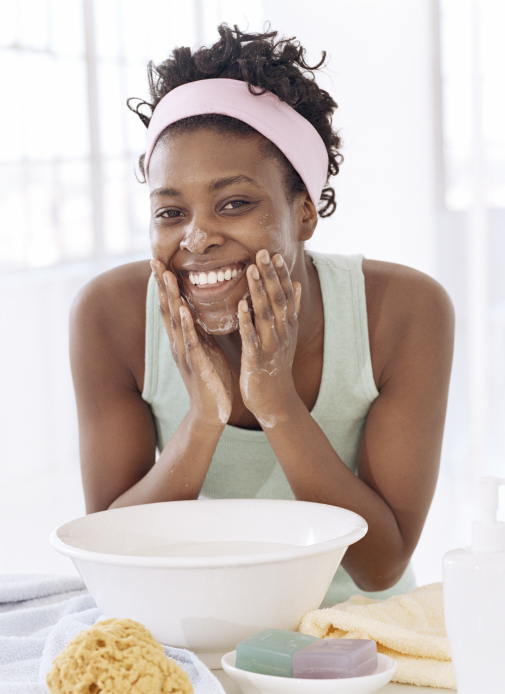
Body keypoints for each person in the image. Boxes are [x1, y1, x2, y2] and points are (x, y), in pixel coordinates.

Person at [70, 25, 454, 605]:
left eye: (236, 203)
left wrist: (277, 404)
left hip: (357, 642)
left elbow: (380, 567)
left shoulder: (404, 312)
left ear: (304, 212)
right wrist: (203, 419)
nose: (196, 239)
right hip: (190, 631)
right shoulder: (109, 316)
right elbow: (106, 559)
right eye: (171, 212)